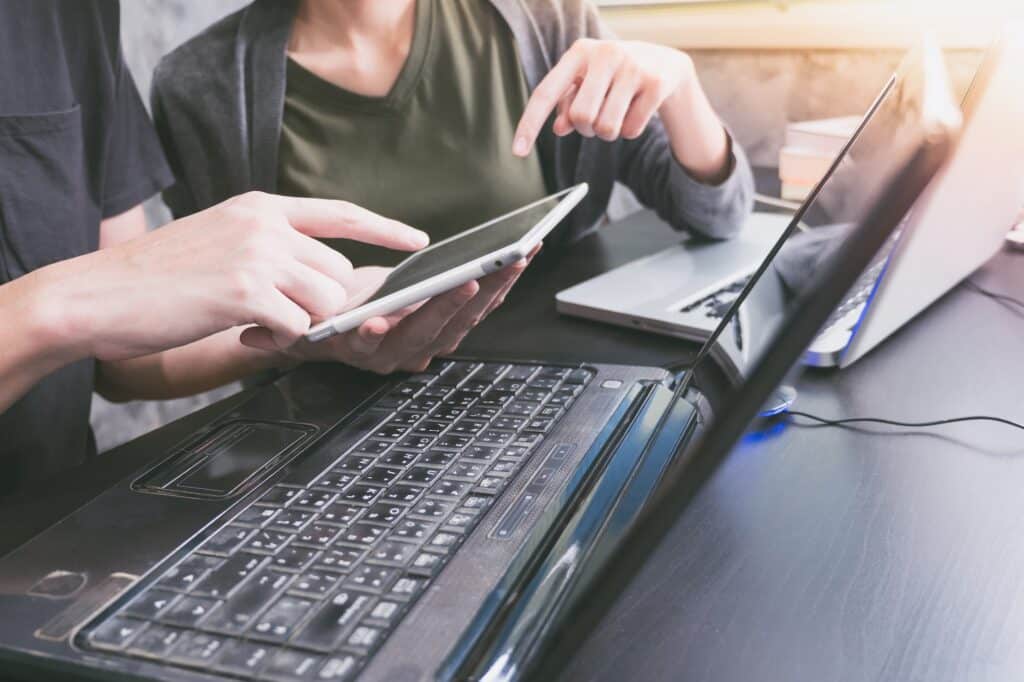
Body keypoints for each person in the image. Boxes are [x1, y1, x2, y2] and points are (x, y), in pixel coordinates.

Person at [0, 0, 519, 495]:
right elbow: (101, 301)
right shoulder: (205, 80)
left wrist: (308, 331)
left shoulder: (71, 13)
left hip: (51, 516)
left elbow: (123, 358)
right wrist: (59, 303)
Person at [151, 0, 755, 273]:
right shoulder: (201, 87)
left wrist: (680, 85)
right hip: (333, 430)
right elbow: (209, 312)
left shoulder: (544, 19)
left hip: (555, 379)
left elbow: (718, 216)